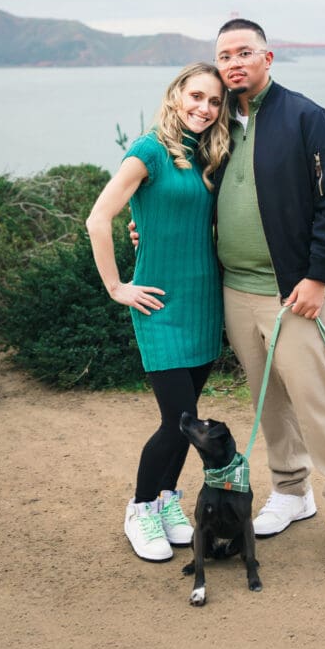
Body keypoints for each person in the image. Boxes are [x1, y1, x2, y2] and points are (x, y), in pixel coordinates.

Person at [212, 19, 325, 558]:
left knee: (318, 400)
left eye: (244, 52)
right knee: (270, 399)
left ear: (268, 57)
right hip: (238, 290)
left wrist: (318, 277)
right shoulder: (213, 126)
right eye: (224, 57)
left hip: (296, 289)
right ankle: (290, 490)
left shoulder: (307, 117)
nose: (234, 63)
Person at [86, 62, 230, 562]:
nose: (204, 109)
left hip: (204, 302)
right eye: (195, 97)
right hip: (158, 304)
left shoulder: (209, 153)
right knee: (179, 419)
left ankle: (169, 500)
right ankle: (141, 507)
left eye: (214, 102)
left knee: (185, 421)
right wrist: (115, 286)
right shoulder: (149, 149)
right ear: (175, 97)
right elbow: (98, 217)